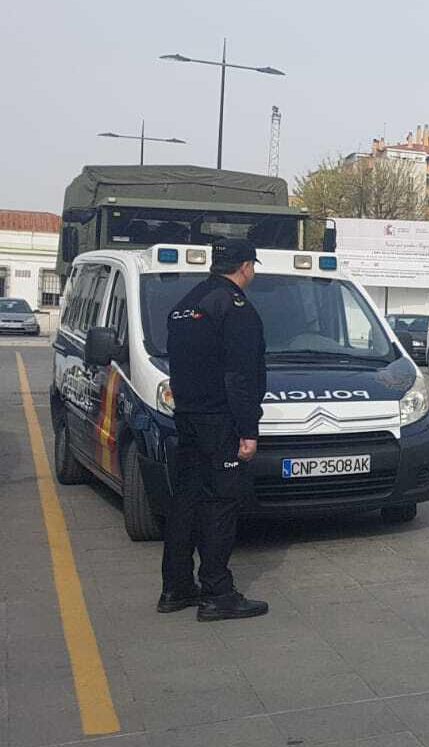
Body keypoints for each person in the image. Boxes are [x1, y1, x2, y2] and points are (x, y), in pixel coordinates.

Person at [160, 238, 270, 621]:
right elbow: (239, 376)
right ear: (245, 266)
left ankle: (176, 587)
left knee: (186, 501)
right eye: (252, 266)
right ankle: (217, 592)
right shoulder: (235, 307)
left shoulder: (185, 304)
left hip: (187, 417)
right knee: (221, 504)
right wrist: (249, 430)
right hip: (220, 421)